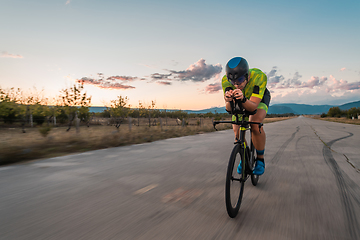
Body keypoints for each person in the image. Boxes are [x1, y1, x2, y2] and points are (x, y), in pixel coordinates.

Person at [222, 57, 270, 175]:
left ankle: (260, 159)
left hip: (258, 99)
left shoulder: (259, 76)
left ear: (247, 75)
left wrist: (243, 99)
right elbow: (229, 109)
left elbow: (253, 107)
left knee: (255, 124)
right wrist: (228, 101)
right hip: (239, 99)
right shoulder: (225, 81)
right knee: (236, 130)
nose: (237, 84)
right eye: (233, 82)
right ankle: (245, 157)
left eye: (241, 79)